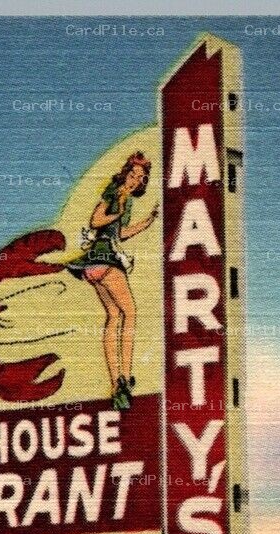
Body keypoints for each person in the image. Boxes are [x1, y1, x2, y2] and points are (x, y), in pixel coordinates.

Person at [68, 152, 157, 410]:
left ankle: (115, 382)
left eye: (140, 179)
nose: (134, 181)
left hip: (95, 265)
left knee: (114, 316)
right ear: (126, 172)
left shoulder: (126, 199)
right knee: (130, 313)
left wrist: (147, 222)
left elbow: (121, 234)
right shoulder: (115, 191)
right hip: (104, 258)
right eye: (132, 175)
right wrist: (115, 215)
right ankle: (125, 377)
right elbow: (95, 220)